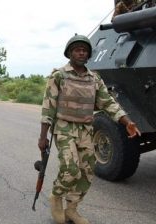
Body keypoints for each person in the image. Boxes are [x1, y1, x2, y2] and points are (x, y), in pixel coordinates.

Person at [38, 35, 141, 224]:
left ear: (88, 54)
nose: (81, 52)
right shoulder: (59, 76)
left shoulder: (94, 78)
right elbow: (48, 107)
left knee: (87, 170)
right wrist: (43, 136)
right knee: (71, 168)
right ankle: (56, 196)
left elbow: (108, 102)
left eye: (84, 50)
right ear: (70, 53)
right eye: (77, 49)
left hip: (85, 128)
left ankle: (72, 209)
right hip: (64, 127)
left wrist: (127, 122)